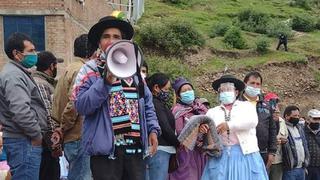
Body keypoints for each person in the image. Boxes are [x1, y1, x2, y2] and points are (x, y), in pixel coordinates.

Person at [72, 12, 161, 180]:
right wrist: (105, 81)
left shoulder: (135, 73)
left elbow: (147, 104)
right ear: (99, 42)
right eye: (106, 36)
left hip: (135, 149)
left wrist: (153, 130)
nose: (111, 41)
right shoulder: (88, 70)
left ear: (124, 42)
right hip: (106, 153)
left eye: (116, 36)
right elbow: (81, 106)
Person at [202, 74, 268, 180]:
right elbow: (205, 131)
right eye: (222, 90)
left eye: (229, 89)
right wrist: (203, 129)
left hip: (246, 155)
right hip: (221, 156)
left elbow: (252, 121)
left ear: (236, 92)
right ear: (219, 93)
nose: (225, 92)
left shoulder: (246, 106)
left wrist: (229, 125)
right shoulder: (212, 112)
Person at [0, 32, 47, 179]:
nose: (35, 54)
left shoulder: (18, 73)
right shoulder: (14, 76)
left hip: (24, 140)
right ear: (17, 54)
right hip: (23, 141)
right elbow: (21, 111)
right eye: (31, 51)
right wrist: (36, 135)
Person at [52, 34, 95, 180]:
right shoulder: (83, 70)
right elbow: (74, 104)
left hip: (72, 137)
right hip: (78, 135)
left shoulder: (69, 68)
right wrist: (63, 128)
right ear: (93, 51)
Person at [169, 77, 207, 180]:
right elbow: (180, 132)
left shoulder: (202, 108)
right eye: (184, 91)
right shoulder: (177, 111)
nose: (188, 92)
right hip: (186, 152)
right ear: (178, 95)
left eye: (190, 89)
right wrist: (197, 130)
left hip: (201, 152)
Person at [33, 51, 63, 180]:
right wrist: (55, 144)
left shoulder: (43, 82)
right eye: (56, 65)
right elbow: (49, 114)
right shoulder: (41, 84)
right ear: (51, 66)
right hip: (46, 143)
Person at [239, 71, 277, 170]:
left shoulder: (266, 106)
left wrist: (272, 152)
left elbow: (272, 130)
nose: (255, 86)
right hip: (242, 152)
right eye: (252, 83)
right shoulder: (237, 103)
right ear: (245, 84)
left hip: (262, 153)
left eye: (258, 84)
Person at [145, 73, 180, 180]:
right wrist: (178, 142)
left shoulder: (158, 103)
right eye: (167, 89)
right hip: (160, 150)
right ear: (156, 88)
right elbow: (164, 127)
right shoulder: (155, 103)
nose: (168, 93)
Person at [265, 93, 288, 180]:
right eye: (271, 102)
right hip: (265, 159)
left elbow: (286, 137)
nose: (274, 105)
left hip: (278, 160)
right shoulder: (262, 119)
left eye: (276, 102)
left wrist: (283, 141)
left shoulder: (282, 121)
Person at [282, 105, 309, 180]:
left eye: (298, 115)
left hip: (302, 168)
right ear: (287, 116)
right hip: (289, 170)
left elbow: (304, 145)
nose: (297, 117)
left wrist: (306, 162)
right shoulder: (283, 128)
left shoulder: (299, 128)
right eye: (294, 115)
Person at [305, 109, 320, 180]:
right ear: (308, 120)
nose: (317, 121)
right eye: (315, 119)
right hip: (307, 168)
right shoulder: (302, 131)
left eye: (319, 119)